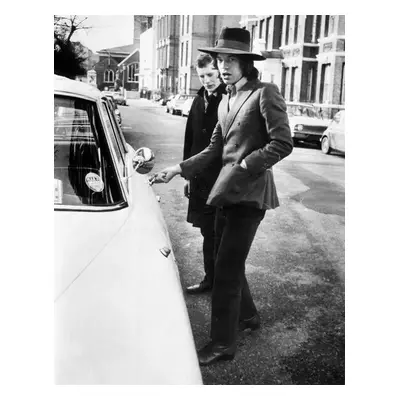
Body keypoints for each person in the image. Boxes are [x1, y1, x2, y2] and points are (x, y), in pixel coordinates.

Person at [152, 27, 293, 366]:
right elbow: (215, 148)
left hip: (250, 194)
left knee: (226, 270)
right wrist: (178, 168)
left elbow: (282, 142)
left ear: (246, 62)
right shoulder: (227, 98)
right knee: (224, 259)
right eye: (220, 59)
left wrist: (247, 164)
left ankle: (221, 344)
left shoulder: (264, 92)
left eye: (231, 60)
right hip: (224, 193)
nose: (224, 66)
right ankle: (247, 317)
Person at [183, 53, 226, 294]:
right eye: (202, 76)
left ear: (218, 71)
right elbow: (190, 139)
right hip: (199, 178)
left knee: (217, 233)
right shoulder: (198, 100)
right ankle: (211, 280)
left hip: (220, 178)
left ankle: (219, 283)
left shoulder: (229, 99)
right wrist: (188, 174)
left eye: (210, 74)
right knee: (206, 231)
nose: (207, 80)